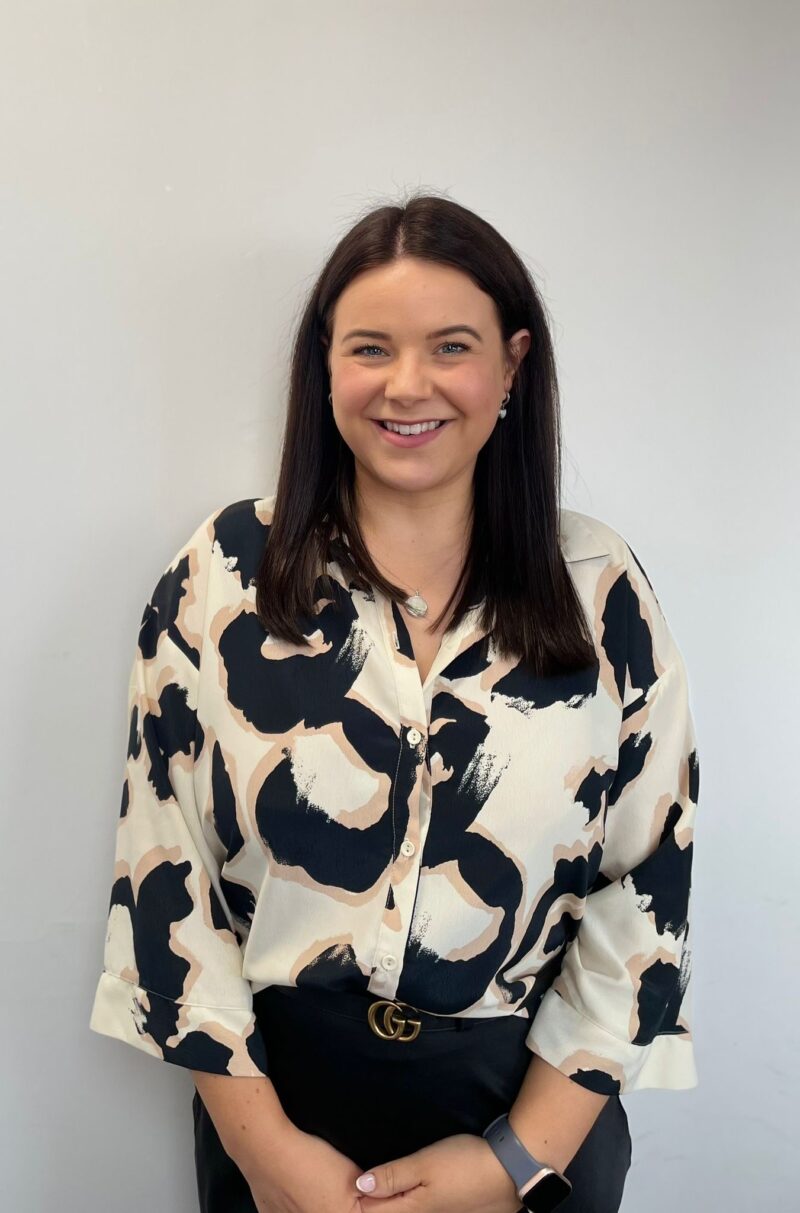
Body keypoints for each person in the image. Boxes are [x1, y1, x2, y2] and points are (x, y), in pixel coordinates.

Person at [89, 193, 700, 1213]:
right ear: (323, 365)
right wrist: (268, 1156)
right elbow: (165, 865)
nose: (406, 386)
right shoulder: (223, 575)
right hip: (277, 1110)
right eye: (369, 347)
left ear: (510, 366)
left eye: (449, 347)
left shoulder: (598, 591)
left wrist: (513, 1160)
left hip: (527, 1122)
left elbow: (646, 886)